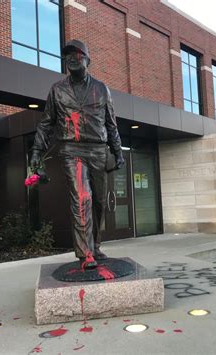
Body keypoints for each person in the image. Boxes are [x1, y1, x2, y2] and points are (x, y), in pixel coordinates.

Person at [30, 40, 125, 270]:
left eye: (78, 54)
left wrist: (117, 151)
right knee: (82, 197)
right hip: (72, 151)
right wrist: (36, 152)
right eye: (68, 55)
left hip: (98, 150)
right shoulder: (57, 90)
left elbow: (111, 124)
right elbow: (46, 124)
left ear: (88, 60)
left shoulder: (102, 89)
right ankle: (85, 254)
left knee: (99, 202)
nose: (72, 58)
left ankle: (95, 245)